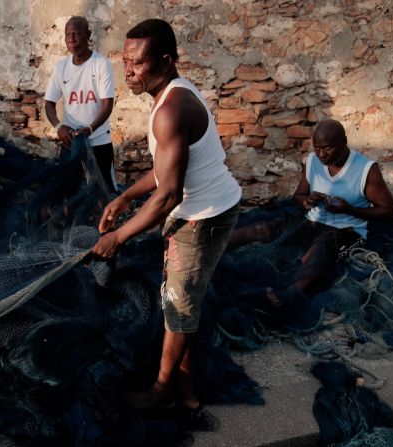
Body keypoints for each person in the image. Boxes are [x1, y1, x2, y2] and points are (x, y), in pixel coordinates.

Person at [90, 19, 241, 410]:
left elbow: (168, 193)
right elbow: (164, 169)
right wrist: (124, 199)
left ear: (166, 60)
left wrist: (117, 237)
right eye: (125, 61)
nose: (128, 71)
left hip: (204, 217)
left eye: (137, 63)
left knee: (177, 304)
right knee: (182, 296)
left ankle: (160, 390)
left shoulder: (171, 109)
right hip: (199, 207)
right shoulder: (166, 96)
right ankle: (187, 392)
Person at [228, 119, 393, 305]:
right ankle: (214, 245)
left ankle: (291, 294)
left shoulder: (366, 170)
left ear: (344, 141)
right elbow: (298, 196)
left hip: (347, 232)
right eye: (317, 148)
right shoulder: (313, 161)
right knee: (263, 228)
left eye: (328, 148)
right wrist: (307, 201)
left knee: (321, 246)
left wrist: (349, 209)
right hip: (312, 222)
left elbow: (389, 213)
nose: (321, 154)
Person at [44, 16, 117, 192]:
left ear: (88, 35)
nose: (72, 39)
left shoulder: (101, 64)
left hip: (98, 139)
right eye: (68, 35)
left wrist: (90, 129)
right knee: (66, 191)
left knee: (105, 192)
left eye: (77, 34)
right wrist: (60, 126)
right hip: (71, 142)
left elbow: (107, 105)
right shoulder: (61, 67)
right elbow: (49, 104)